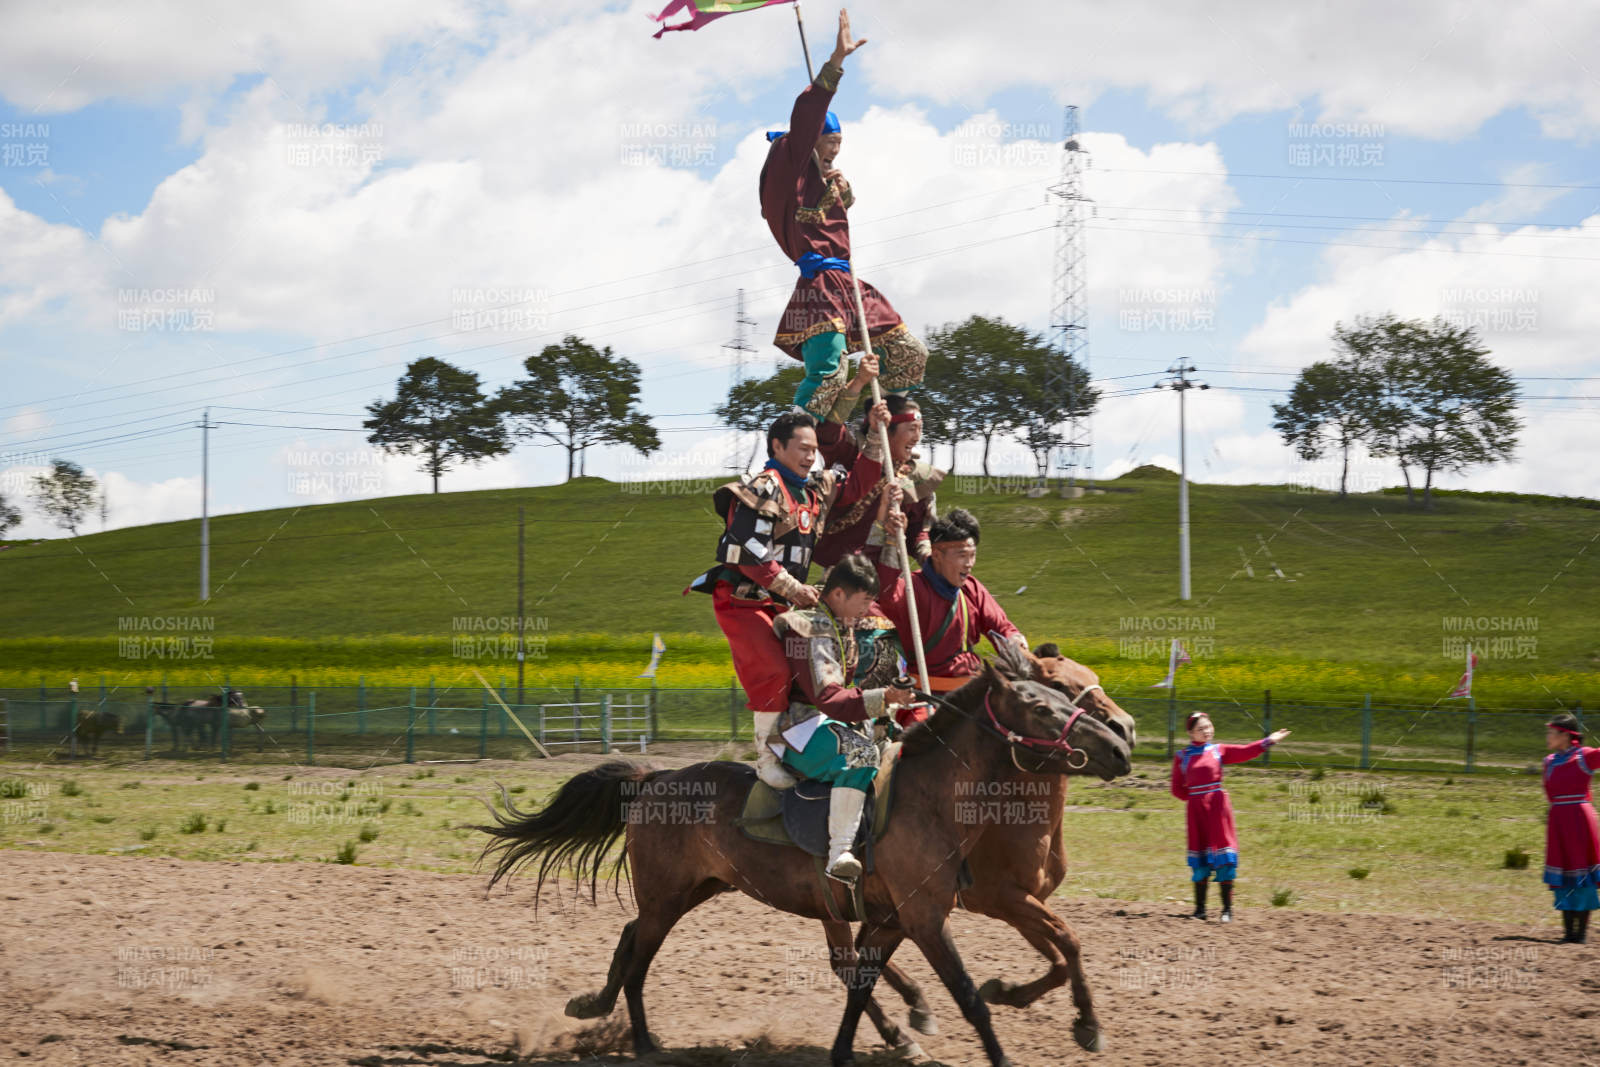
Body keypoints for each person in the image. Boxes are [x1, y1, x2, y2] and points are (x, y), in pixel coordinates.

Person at [686, 404, 890, 790]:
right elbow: (748, 551)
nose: (811, 456)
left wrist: (877, 434)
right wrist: (794, 588)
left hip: (788, 605)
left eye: (814, 449)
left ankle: (812, 746)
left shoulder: (813, 490)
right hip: (745, 599)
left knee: (814, 672)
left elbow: (859, 485)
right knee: (774, 671)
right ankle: (765, 756)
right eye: (802, 448)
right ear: (777, 447)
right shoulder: (759, 488)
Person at [759, 8, 926, 419]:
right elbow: (807, 114)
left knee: (909, 355)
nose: (835, 150)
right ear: (810, 139)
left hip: (848, 283)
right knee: (830, 374)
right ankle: (798, 438)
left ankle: (872, 425)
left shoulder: (829, 180)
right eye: (828, 141)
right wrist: (836, 63)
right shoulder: (788, 164)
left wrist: (842, 193)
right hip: (819, 288)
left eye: (839, 142)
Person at [770, 552, 918, 879]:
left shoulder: (839, 623)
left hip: (830, 722)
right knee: (863, 754)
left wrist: (889, 704)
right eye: (863, 601)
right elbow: (829, 698)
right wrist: (884, 697)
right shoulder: (813, 627)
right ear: (838, 594)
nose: (867, 610)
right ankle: (840, 853)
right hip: (800, 729)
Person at [813, 352, 943, 570]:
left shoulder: (918, 477)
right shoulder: (852, 452)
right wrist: (859, 381)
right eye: (912, 429)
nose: (917, 437)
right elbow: (828, 430)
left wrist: (930, 559)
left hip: (884, 570)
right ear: (887, 428)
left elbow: (920, 532)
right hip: (841, 572)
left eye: (920, 430)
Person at [874, 507, 1026, 691]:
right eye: (962, 556)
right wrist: (893, 540)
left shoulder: (971, 588)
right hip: (928, 695)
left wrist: (1014, 640)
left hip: (973, 692)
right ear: (937, 554)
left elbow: (1000, 627)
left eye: (973, 555)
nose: (969, 564)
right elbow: (885, 594)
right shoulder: (912, 588)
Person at [1170, 713, 1291, 922]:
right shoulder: (1182, 757)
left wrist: (1269, 740)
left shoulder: (1219, 750)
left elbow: (1246, 752)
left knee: (1224, 857)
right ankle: (1200, 910)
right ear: (1190, 733)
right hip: (1196, 811)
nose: (1207, 731)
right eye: (1201, 729)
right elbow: (1176, 789)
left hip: (1218, 809)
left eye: (1209, 726)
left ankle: (1227, 910)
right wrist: (1196, 800)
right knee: (1200, 860)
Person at [1542, 713, 1599, 943]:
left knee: (1582, 874)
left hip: (1579, 820)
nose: (1548, 737)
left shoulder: (1585, 757)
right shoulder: (1548, 762)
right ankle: (1568, 933)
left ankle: (1581, 934)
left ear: (1566, 735)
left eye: (1551, 732)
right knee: (1564, 874)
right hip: (1558, 820)